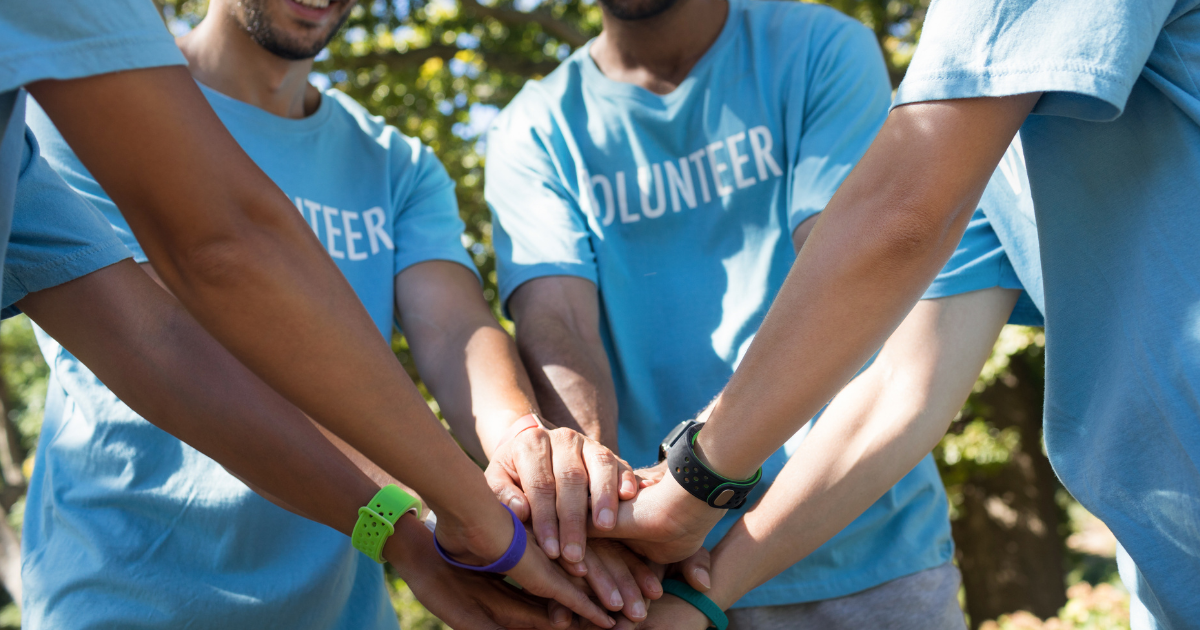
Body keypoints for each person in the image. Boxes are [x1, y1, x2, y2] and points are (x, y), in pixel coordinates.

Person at [23, 0, 657, 627]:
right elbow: (170, 339)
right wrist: (432, 516)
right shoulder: (79, 97)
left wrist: (527, 450)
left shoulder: (396, 165)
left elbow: (456, 332)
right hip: (124, 600)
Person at [594, 1, 1200, 628]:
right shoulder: (974, 111)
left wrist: (693, 484)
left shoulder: (954, 102)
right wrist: (702, 594)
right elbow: (901, 388)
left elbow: (900, 215)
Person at [483, 0, 1041, 624]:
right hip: (652, 571)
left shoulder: (822, 48)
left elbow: (849, 266)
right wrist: (599, 515)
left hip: (859, 541)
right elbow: (556, 326)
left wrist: (687, 488)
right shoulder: (534, 126)